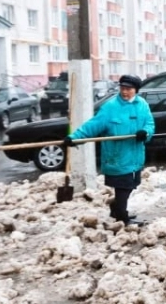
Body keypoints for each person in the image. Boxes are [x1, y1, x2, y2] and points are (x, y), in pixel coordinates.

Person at [65, 74, 155, 226]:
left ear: (136, 90)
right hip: (117, 156)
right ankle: (122, 217)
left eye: (129, 89)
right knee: (123, 187)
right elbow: (93, 125)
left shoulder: (142, 105)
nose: (125, 92)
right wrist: (74, 137)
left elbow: (150, 124)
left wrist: (145, 133)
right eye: (123, 88)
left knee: (130, 185)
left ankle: (116, 208)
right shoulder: (110, 107)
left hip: (136, 155)